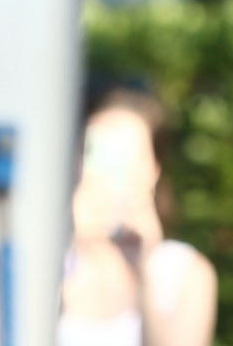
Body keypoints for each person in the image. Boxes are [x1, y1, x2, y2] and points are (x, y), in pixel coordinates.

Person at [57, 79, 218, 346]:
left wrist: (145, 274)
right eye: (99, 154)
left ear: (154, 169)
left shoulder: (185, 272)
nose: (109, 176)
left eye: (126, 158)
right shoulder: (55, 256)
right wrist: (66, 240)